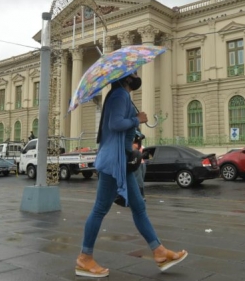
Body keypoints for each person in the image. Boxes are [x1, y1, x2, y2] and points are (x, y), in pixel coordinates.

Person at [76, 72, 187, 278]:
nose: (137, 75)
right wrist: (136, 119)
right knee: (100, 209)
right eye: (133, 73)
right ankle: (84, 258)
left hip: (121, 160)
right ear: (126, 78)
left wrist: (135, 121)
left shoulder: (121, 95)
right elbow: (114, 124)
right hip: (114, 162)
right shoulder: (119, 95)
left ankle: (159, 252)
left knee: (139, 207)